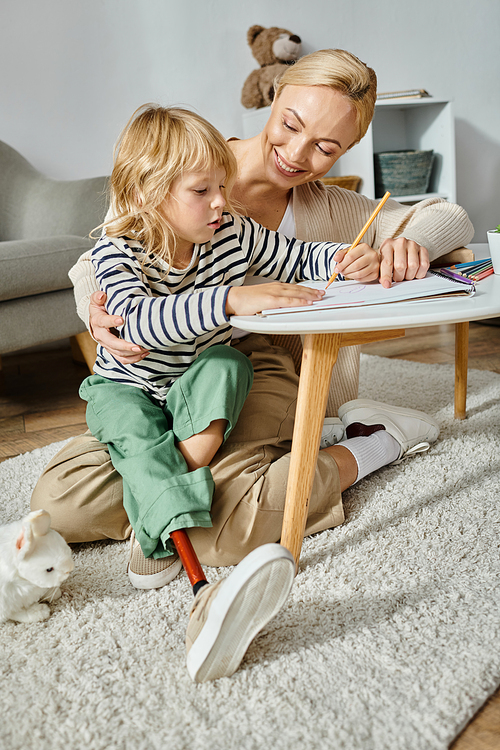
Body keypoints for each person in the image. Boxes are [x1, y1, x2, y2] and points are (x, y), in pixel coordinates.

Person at [32, 48, 472, 587]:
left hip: (243, 370)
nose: (296, 152)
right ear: (274, 96)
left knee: (217, 529)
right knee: (61, 503)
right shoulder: (180, 162)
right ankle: (192, 486)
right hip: (149, 382)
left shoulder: (308, 213)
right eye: (290, 124)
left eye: (326, 148)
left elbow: (447, 217)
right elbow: (99, 268)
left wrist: (394, 246)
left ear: (347, 153)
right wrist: (107, 311)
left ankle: (374, 442)